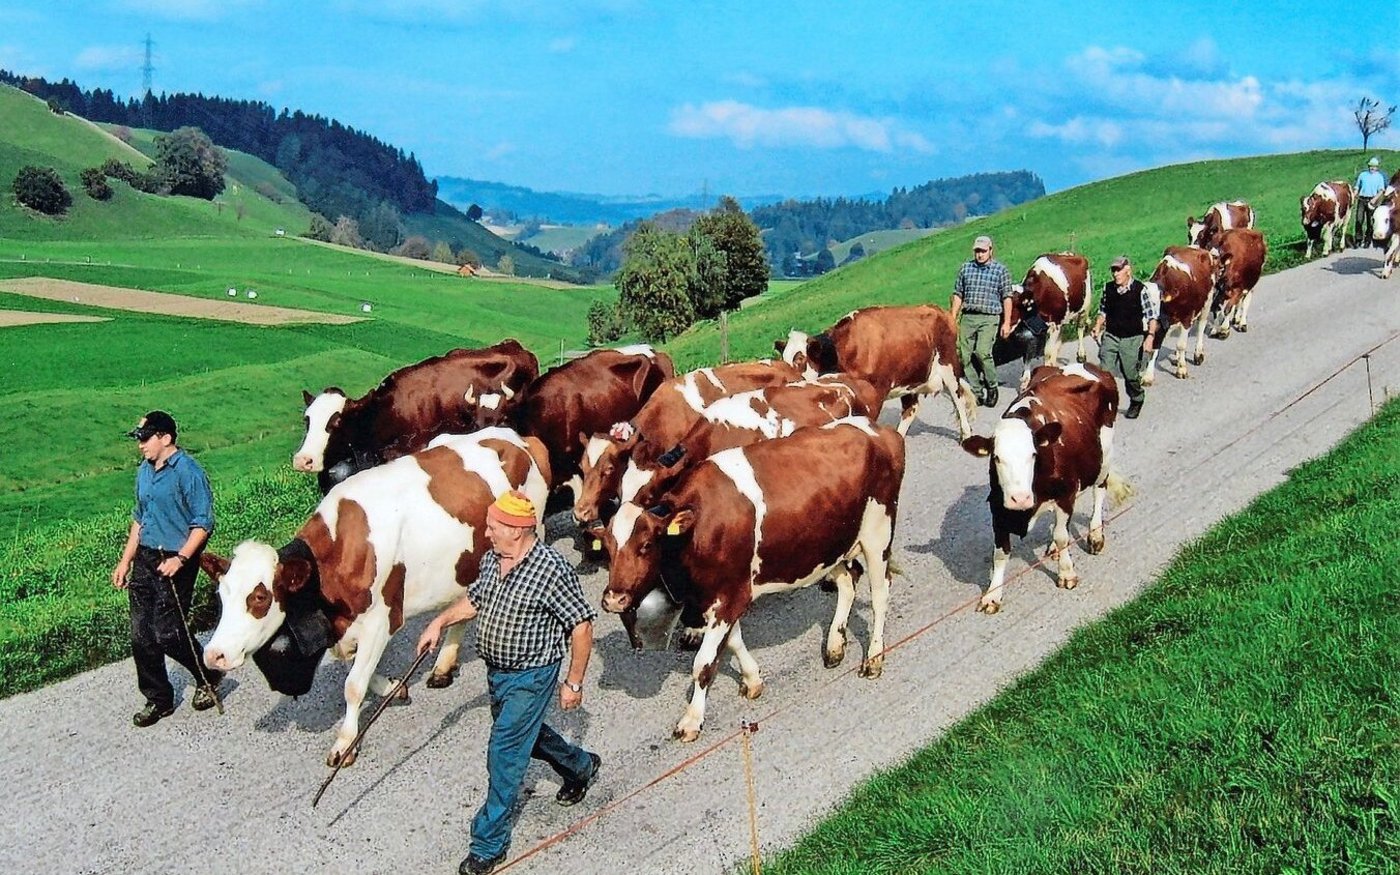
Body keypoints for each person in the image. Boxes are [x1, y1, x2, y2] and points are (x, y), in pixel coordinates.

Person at [417, 490, 599, 875]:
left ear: (516, 530)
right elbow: (476, 601)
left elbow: (581, 627)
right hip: (498, 674)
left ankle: (488, 844)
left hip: (532, 675)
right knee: (525, 735)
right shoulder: (492, 559)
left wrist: (573, 683)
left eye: (493, 527)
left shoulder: (551, 570)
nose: (486, 533)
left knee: (504, 753)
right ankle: (579, 766)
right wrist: (439, 622)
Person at [110, 410, 223, 727]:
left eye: (145, 438)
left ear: (166, 438)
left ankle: (207, 675)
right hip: (146, 558)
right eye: (139, 439)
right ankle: (158, 699)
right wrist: (125, 560)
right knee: (141, 635)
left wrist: (181, 559)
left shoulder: (189, 472)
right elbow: (139, 519)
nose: (140, 445)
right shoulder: (144, 472)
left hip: (175, 559)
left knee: (168, 632)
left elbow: (203, 524)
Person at [950, 234, 1015, 408]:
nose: (980, 254)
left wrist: (1006, 322)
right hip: (969, 316)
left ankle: (992, 386)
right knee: (964, 356)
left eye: (983, 251)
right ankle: (976, 391)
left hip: (989, 317)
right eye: (977, 251)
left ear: (991, 251)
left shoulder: (1000, 270)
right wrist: (952, 317)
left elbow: (1007, 297)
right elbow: (958, 294)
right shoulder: (966, 268)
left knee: (982, 352)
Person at [1091, 256, 1160, 420]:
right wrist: (1098, 325)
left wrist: (1150, 337)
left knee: (1131, 375)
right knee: (1105, 373)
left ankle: (1137, 399)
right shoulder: (1108, 289)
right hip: (1111, 336)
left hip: (1132, 338)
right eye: (1113, 271)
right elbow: (1103, 311)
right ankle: (1106, 405)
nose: (1115, 274)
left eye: (1118, 270)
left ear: (1128, 270)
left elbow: (1151, 316)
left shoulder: (1140, 290)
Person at [1354, 156, 1387, 247]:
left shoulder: (1379, 177)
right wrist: (1355, 193)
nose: (1372, 168)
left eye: (1374, 166)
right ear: (1368, 166)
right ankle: (1358, 239)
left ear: (1377, 167)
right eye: (1371, 166)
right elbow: (1357, 186)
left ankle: (1368, 239)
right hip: (1362, 199)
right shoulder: (1362, 175)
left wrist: (1374, 199)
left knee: (1370, 221)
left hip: (1373, 200)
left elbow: (1381, 190)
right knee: (1359, 219)